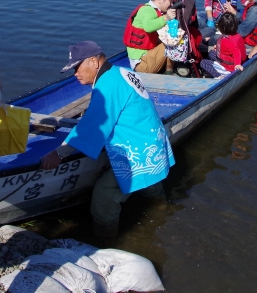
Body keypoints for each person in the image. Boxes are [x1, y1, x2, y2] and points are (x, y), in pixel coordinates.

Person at [40, 41, 174, 240]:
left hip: (140, 150)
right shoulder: (122, 72)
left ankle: (104, 243)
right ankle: (164, 211)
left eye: (77, 68)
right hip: (155, 141)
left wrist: (59, 152)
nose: (75, 74)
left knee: (105, 194)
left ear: (94, 62)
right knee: (151, 186)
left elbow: (92, 126)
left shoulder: (108, 85)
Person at [124, 0, 177, 74]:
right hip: (141, 64)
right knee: (172, 41)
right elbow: (148, 27)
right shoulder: (146, 10)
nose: (171, 4)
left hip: (147, 58)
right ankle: (169, 73)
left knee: (172, 37)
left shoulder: (156, 12)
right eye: (170, 1)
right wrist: (166, 17)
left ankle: (169, 69)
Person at [199, 13, 246, 78]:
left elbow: (236, 51)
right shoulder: (236, 35)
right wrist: (217, 47)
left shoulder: (226, 40)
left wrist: (237, 64)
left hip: (229, 68)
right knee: (211, 53)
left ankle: (220, 75)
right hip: (228, 60)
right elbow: (228, 48)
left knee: (203, 62)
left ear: (220, 27)